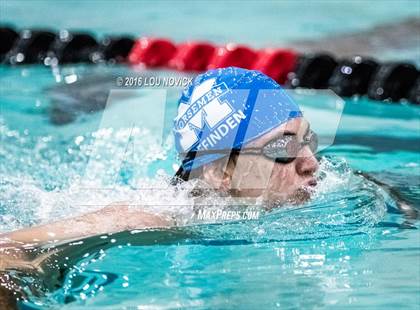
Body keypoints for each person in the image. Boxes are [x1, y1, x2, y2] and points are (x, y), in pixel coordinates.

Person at [0, 67, 319, 269]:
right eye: (283, 147)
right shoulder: (150, 218)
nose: (311, 163)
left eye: (309, 140)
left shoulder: (317, 188)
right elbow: (8, 247)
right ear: (221, 172)